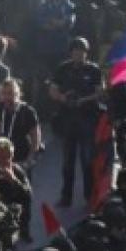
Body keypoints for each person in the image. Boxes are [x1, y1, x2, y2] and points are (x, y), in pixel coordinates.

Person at [49, 38, 103, 207]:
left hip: (87, 118)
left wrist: (83, 100)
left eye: (81, 50)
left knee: (87, 160)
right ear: (71, 52)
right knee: (67, 162)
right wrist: (62, 97)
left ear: (86, 53)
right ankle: (66, 197)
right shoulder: (63, 68)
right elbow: (52, 89)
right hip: (68, 119)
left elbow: (100, 92)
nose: (78, 53)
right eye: (75, 50)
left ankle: (89, 196)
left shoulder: (93, 70)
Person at [0, 138, 33, 242]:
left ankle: (24, 230)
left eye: (8, 157)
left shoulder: (17, 170)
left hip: (13, 200)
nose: (6, 160)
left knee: (26, 200)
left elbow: (27, 193)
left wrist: (13, 180)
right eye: (2, 157)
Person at [0, 78, 42, 169]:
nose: (6, 97)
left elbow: (36, 137)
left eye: (10, 93)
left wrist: (30, 159)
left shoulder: (27, 111)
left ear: (17, 94)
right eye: (3, 93)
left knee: (19, 182)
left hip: (21, 158)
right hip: (0, 157)